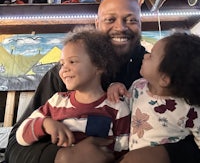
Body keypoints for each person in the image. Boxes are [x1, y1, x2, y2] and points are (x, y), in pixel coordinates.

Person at [5, 0, 200, 163]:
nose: (121, 27)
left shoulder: (161, 71)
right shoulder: (65, 75)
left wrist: (166, 154)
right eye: (110, 19)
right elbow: (15, 147)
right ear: (97, 24)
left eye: (131, 20)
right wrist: (61, 157)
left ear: (141, 25)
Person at [16, 29, 130, 158]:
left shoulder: (117, 107)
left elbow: (123, 153)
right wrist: (44, 123)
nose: (64, 68)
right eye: (62, 63)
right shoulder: (56, 102)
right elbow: (21, 137)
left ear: (99, 65)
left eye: (72, 61)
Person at [107, 32, 200, 152]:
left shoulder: (190, 109)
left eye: (150, 56)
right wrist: (116, 87)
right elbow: (122, 106)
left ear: (164, 79)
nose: (145, 56)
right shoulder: (138, 87)